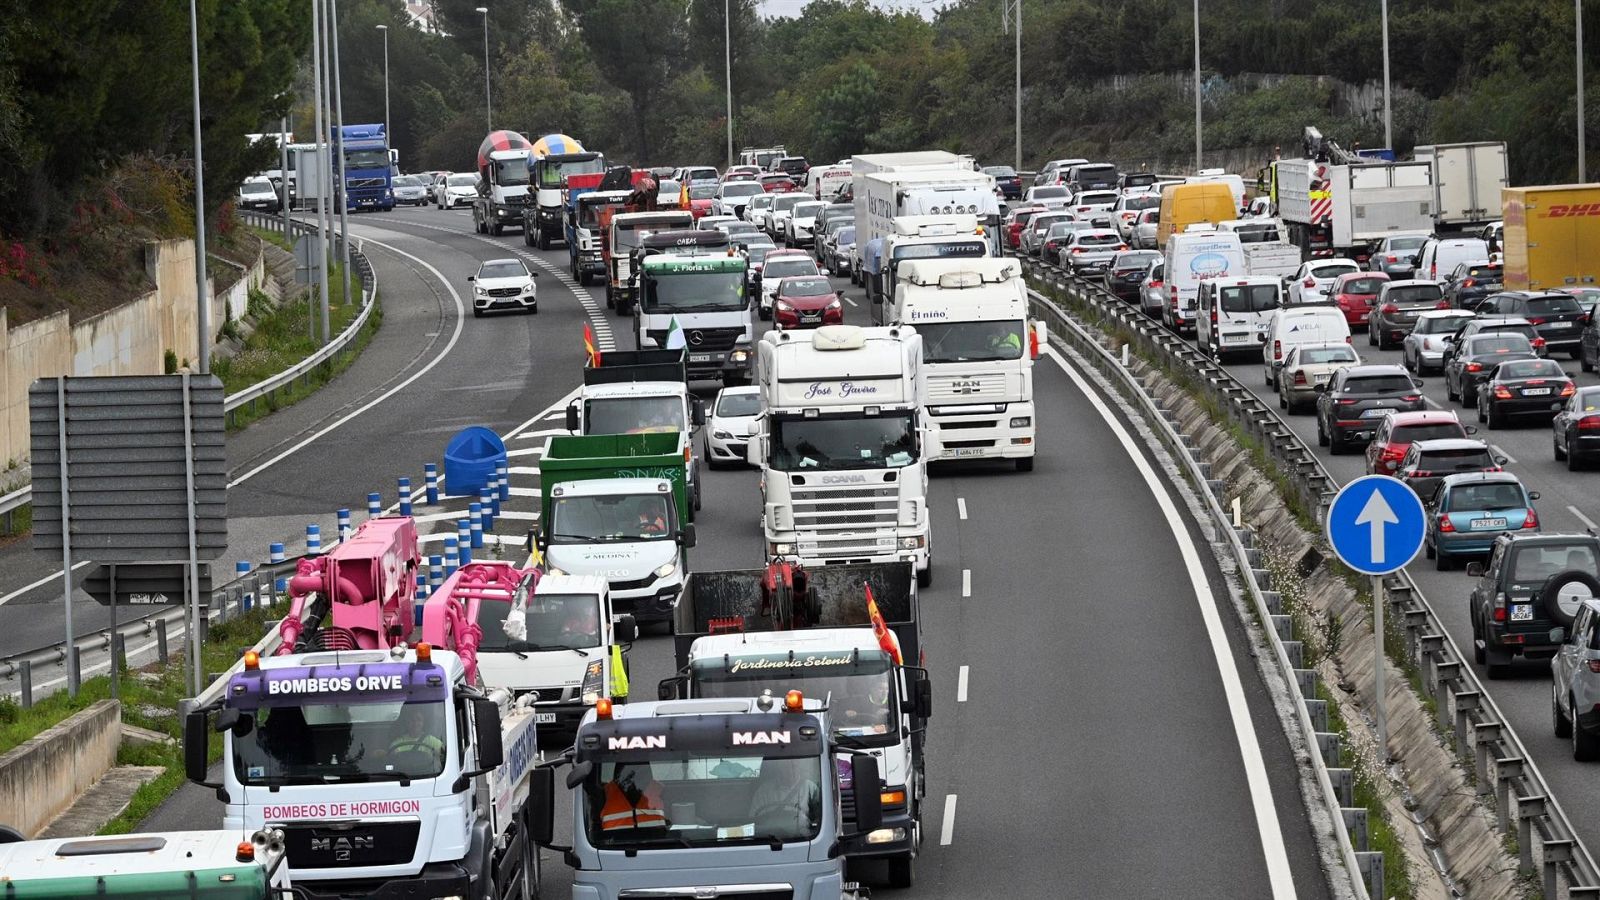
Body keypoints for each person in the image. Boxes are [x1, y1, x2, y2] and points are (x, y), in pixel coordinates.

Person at [748, 760, 821, 832]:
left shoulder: (811, 788)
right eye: (786, 767)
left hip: (804, 838)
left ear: (799, 767)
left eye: (794, 766)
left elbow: (818, 820)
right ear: (779, 768)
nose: (790, 771)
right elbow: (754, 821)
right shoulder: (764, 791)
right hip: (769, 837)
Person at [600, 765, 667, 831]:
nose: (632, 780)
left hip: (659, 841)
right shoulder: (604, 794)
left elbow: (672, 829)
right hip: (613, 840)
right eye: (629, 777)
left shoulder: (662, 793)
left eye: (640, 773)